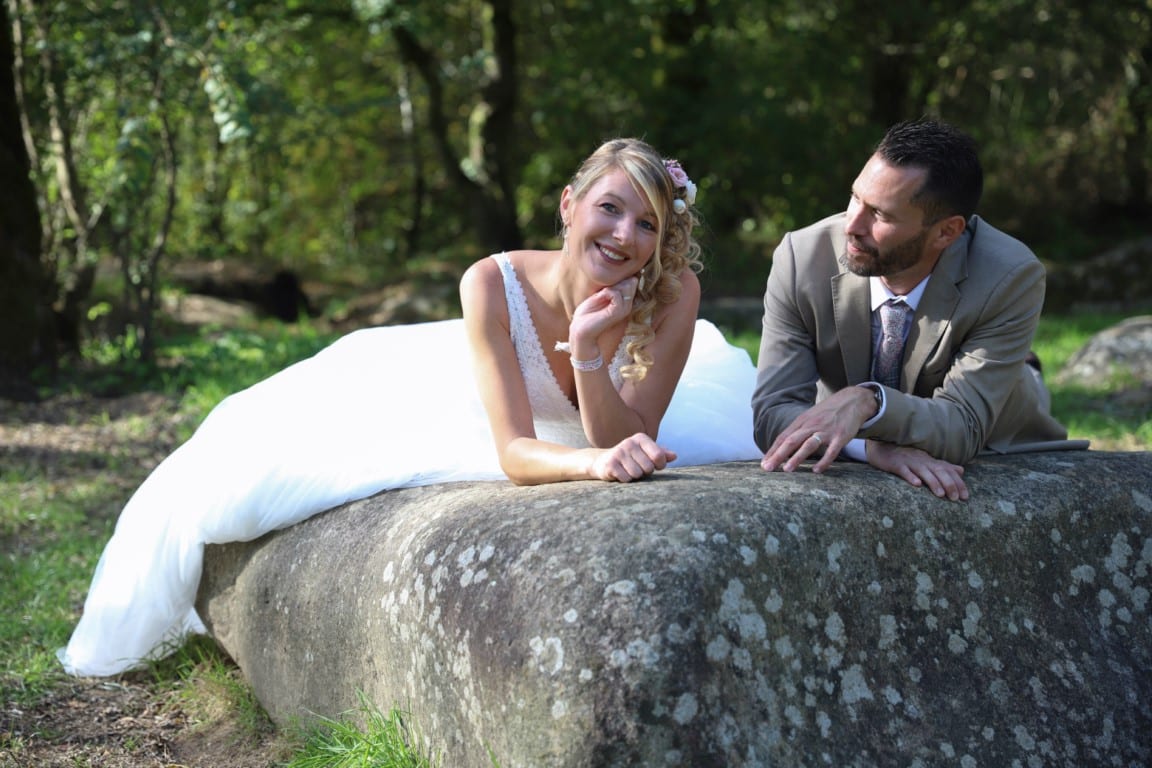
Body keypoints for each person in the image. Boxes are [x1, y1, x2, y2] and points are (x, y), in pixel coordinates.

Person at [58, 137, 762, 678]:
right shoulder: (491, 284)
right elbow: (516, 452)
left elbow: (623, 438)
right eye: (609, 207)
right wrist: (589, 416)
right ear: (569, 204)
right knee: (263, 452)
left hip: (584, 419)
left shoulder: (672, 294)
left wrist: (588, 354)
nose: (624, 236)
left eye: (647, 222)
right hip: (473, 401)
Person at [752, 119, 1081, 501]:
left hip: (1003, 416)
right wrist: (872, 447)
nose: (852, 225)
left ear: (946, 232)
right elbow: (772, 413)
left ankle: (1025, 366)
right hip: (888, 419)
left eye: (882, 215)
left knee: (1021, 383)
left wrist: (868, 401)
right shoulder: (801, 257)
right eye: (855, 197)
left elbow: (963, 427)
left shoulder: (1009, 276)